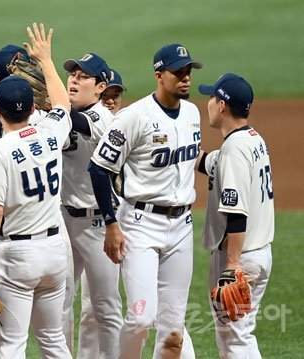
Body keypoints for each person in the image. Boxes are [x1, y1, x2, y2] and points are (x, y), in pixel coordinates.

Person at [88, 43, 203, 358]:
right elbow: (98, 169)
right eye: (178, 72)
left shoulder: (192, 114)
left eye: (188, 72)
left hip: (182, 227)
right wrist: (111, 223)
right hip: (141, 226)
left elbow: (186, 161)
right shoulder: (133, 117)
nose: (185, 78)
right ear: (159, 75)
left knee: (174, 330)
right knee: (140, 318)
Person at [0, 23, 72, 358]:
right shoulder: (52, 133)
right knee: (54, 340)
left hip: (17, 258)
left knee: (11, 345)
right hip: (56, 251)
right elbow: (62, 103)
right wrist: (47, 60)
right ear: (31, 107)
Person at [197, 73, 274, 358]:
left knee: (234, 340)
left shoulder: (235, 149)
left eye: (211, 97)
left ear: (222, 106)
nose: (207, 103)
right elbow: (208, 162)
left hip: (240, 257)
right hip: (259, 253)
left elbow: (236, 213)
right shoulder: (252, 140)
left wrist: (231, 267)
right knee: (240, 334)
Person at [60, 52, 124, 358]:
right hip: (62, 220)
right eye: (72, 74)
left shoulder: (104, 119)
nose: (74, 79)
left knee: (106, 307)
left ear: (100, 87)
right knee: (59, 303)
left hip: (98, 225)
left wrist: (53, 99)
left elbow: (76, 121)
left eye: (83, 77)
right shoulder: (59, 113)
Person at [77, 67, 126, 359]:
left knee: (109, 307)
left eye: (115, 96)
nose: (110, 101)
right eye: (106, 96)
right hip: (72, 221)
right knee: (87, 310)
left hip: (109, 223)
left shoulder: (116, 124)